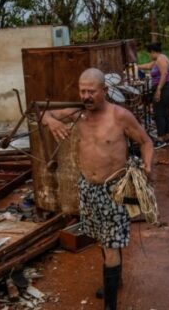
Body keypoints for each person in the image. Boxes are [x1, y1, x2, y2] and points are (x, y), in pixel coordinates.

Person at [42, 68, 154, 310]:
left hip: (115, 189)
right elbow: (42, 112)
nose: (86, 96)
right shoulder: (76, 113)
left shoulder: (120, 116)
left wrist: (147, 165)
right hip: (88, 188)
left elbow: (146, 141)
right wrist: (50, 121)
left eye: (91, 91)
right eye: (82, 91)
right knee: (103, 240)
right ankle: (117, 280)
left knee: (111, 244)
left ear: (104, 90)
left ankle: (110, 306)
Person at [137, 42, 169, 148]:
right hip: (166, 88)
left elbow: (164, 74)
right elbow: (148, 66)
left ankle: (160, 139)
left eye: (150, 53)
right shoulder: (159, 59)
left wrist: (158, 90)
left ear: (153, 52)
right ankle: (167, 138)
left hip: (164, 88)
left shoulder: (161, 60)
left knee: (159, 113)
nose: (150, 55)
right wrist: (137, 66)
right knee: (165, 112)